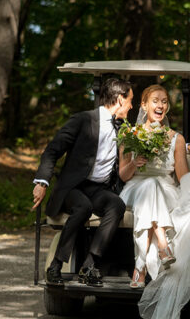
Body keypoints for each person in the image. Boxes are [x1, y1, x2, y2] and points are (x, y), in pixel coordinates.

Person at [119, 84, 190, 319]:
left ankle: (139, 267)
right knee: (149, 184)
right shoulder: (130, 134)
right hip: (135, 189)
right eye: (155, 101)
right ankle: (162, 244)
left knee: (155, 186)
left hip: (165, 190)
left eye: (164, 101)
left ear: (167, 108)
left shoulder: (177, 139)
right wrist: (134, 162)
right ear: (144, 105)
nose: (160, 105)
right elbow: (123, 174)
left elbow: (183, 177)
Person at [32, 76, 134, 286]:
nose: (131, 106)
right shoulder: (83, 120)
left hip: (98, 189)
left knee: (116, 204)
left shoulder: (123, 128)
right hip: (73, 187)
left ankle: (89, 265)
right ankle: (56, 266)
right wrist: (42, 182)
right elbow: (53, 150)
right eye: (130, 101)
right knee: (83, 207)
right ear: (120, 99)